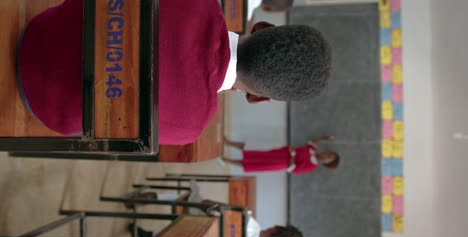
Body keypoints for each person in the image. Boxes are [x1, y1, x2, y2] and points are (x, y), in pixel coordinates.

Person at [18, 0, 331, 145]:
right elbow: (108, 131)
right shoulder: (189, 126)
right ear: (258, 96)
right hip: (43, 103)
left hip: (43, 30)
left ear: (262, 26)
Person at [126, 180, 305, 237]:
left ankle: (150, 197)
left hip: (189, 222)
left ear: (276, 228)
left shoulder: (245, 217)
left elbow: (207, 205)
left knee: (193, 200)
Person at [222, 135, 340, 174]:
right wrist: (324, 138)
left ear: (326, 163)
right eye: (329, 153)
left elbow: (293, 169)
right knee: (253, 150)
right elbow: (312, 142)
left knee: (255, 164)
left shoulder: (312, 166)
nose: (326, 155)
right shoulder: (312, 150)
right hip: (279, 153)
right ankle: (228, 143)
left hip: (280, 163)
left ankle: (227, 160)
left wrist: (293, 155)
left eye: (329, 158)